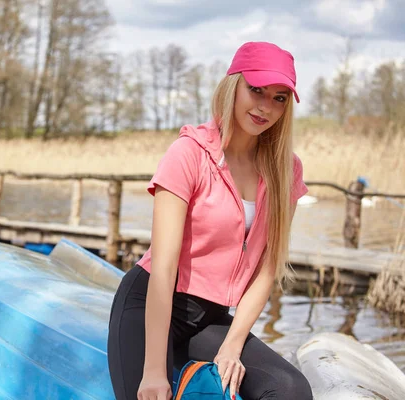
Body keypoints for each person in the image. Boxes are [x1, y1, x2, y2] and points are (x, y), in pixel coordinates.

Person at [107, 42, 314, 400]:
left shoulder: (286, 171)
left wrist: (232, 345)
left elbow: (267, 269)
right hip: (150, 307)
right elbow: (164, 267)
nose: (266, 106)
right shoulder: (188, 154)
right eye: (257, 90)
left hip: (211, 318)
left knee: (290, 389)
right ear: (233, 85)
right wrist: (154, 372)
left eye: (280, 98)